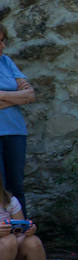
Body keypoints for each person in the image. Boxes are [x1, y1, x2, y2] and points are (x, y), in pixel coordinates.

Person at [0, 186, 68, 260]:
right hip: (5, 245)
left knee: (32, 241)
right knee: (8, 240)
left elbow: (19, 231)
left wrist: (28, 230)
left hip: (10, 253)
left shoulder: (9, 200)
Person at [0, 23, 36, 210]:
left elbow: (30, 95)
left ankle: (22, 232)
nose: (3, 46)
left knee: (16, 185)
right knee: (1, 187)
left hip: (15, 131)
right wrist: (15, 98)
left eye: (3, 40)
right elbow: (22, 96)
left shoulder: (6, 62)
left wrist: (2, 96)